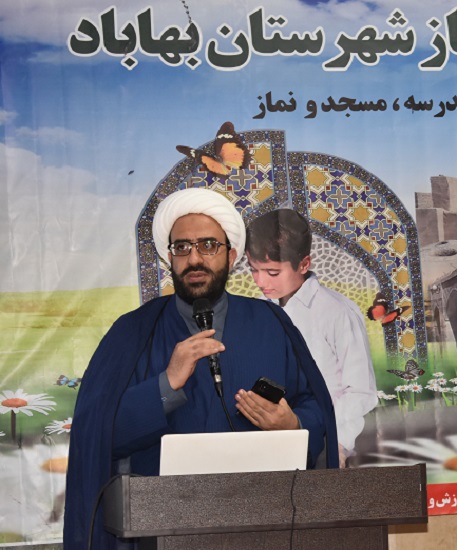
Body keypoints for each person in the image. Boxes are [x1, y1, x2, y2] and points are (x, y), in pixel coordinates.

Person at [63, 188, 338, 550]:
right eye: (182, 247)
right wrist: (166, 384)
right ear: (169, 258)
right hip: (162, 529)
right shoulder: (133, 332)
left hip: (265, 523)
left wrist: (294, 424)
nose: (194, 258)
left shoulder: (270, 322)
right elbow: (99, 435)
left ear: (231, 255)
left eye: (208, 245)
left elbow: (316, 409)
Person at [245, 209, 377, 468]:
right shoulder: (257, 311)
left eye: (272, 272)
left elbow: (360, 391)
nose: (260, 281)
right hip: (266, 444)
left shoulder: (337, 311)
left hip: (326, 442)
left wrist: (338, 443)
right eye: (254, 270)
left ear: (304, 264)